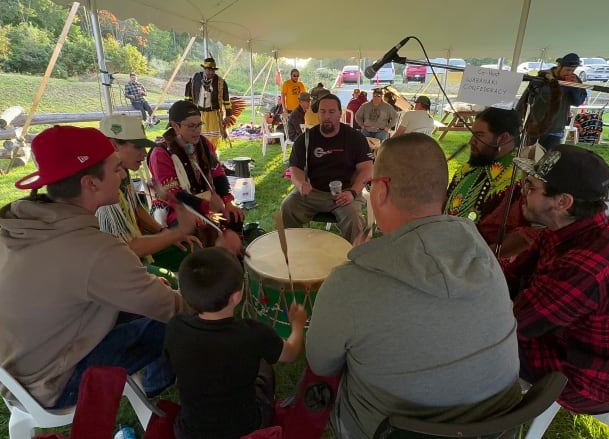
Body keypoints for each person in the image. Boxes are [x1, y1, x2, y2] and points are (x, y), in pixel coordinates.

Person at [307, 133, 520, 439]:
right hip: (496, 429)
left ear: (380, 190)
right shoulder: (482, 252)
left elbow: (321, 363)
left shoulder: (348, 281)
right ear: (441, 193)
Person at [0, 125, 196, 409]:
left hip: (15, 369)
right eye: (117, 168)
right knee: (180, 324)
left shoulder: (19, 225)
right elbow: (173, 309)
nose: (122, 176)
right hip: (53, 383)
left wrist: (148, 289)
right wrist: (217, 297)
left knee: (147, 303)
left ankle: (158, 379)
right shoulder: (94, 250)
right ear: (90, 183)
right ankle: (159, 383)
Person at [506, 144, 609, 414]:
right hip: (591, 355)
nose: (523, 193)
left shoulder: (583, 267)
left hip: (593, 384)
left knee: (477, 341)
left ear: (563, 202)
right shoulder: (577, 230)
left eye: (531, 187)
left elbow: (510, 326)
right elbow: (515, 276)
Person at [165, 247, 306, 439]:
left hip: (189, 432)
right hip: (244, 427)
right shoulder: (253, 334)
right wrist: (297, 325)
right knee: (264, 368)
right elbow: (291, 353)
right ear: (237, 296)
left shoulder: (175, 327)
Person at [96, 114, 200, 284]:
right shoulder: (105, 185)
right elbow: (127, 249)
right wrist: (176, 233)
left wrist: (163, 232)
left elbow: (137, 208)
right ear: (114, 145)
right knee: (168, 281)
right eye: (138, 147)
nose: (144, 154)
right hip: (117, 263)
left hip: (135, 247)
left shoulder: (123, 173)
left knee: (191, 250)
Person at [148, 100, 245, 245]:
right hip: (176, 210)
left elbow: (217, 173)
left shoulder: (204, 144)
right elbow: (172, 194)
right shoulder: (160, 153)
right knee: (197, 229)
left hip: (205, 204)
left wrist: (228, 201)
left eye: (199, 125)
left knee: (234, 217)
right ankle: (207, 262)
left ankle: (235, 255)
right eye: (191, 126)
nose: (197, 130)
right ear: (175, 126)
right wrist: (204, 209)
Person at [281, 93, 373, 243]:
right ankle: (293, 249)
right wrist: (300, 184)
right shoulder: (306, 139)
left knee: (354, 219)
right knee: (287, 207)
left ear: (339, 113)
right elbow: (295, 168)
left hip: (344, 193)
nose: (327, 116)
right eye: (323, 111)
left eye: (331, 112)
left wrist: (352, 192)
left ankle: (354, 257)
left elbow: (367, 168)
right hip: (313, 192)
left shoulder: (355, 138)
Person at [446, 107, 536, 258]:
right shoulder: (468, 168)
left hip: (482, 264)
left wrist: (475, 259)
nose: (471, 142)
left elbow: (522, 238)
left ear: (503, 138)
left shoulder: (519, 181)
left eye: (479, 136)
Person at [516, 52, 587, 150]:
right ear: (559, 66)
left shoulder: (575, 80)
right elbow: (525, 98)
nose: (569, 73)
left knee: (548, 161)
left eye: (573, 70)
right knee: (528, 156)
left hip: (556, 128)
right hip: (536, 125)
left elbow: (578, 102)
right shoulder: (543, 76)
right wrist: (518, 121)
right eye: (567, 69)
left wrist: (574, 87)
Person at [184, 57, 234, 148]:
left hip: (213, 115)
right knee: (197, 137)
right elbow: (188, 97)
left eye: (213, 70)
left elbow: (226, 100)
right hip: (198, 113)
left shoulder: (220, 82)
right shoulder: (195, 79)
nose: (211, 72)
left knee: (212, 140)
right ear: (204, 69)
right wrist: (187, 112)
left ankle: (212, 157)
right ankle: (200, 157)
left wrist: (228, 115)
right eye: (209, 70)